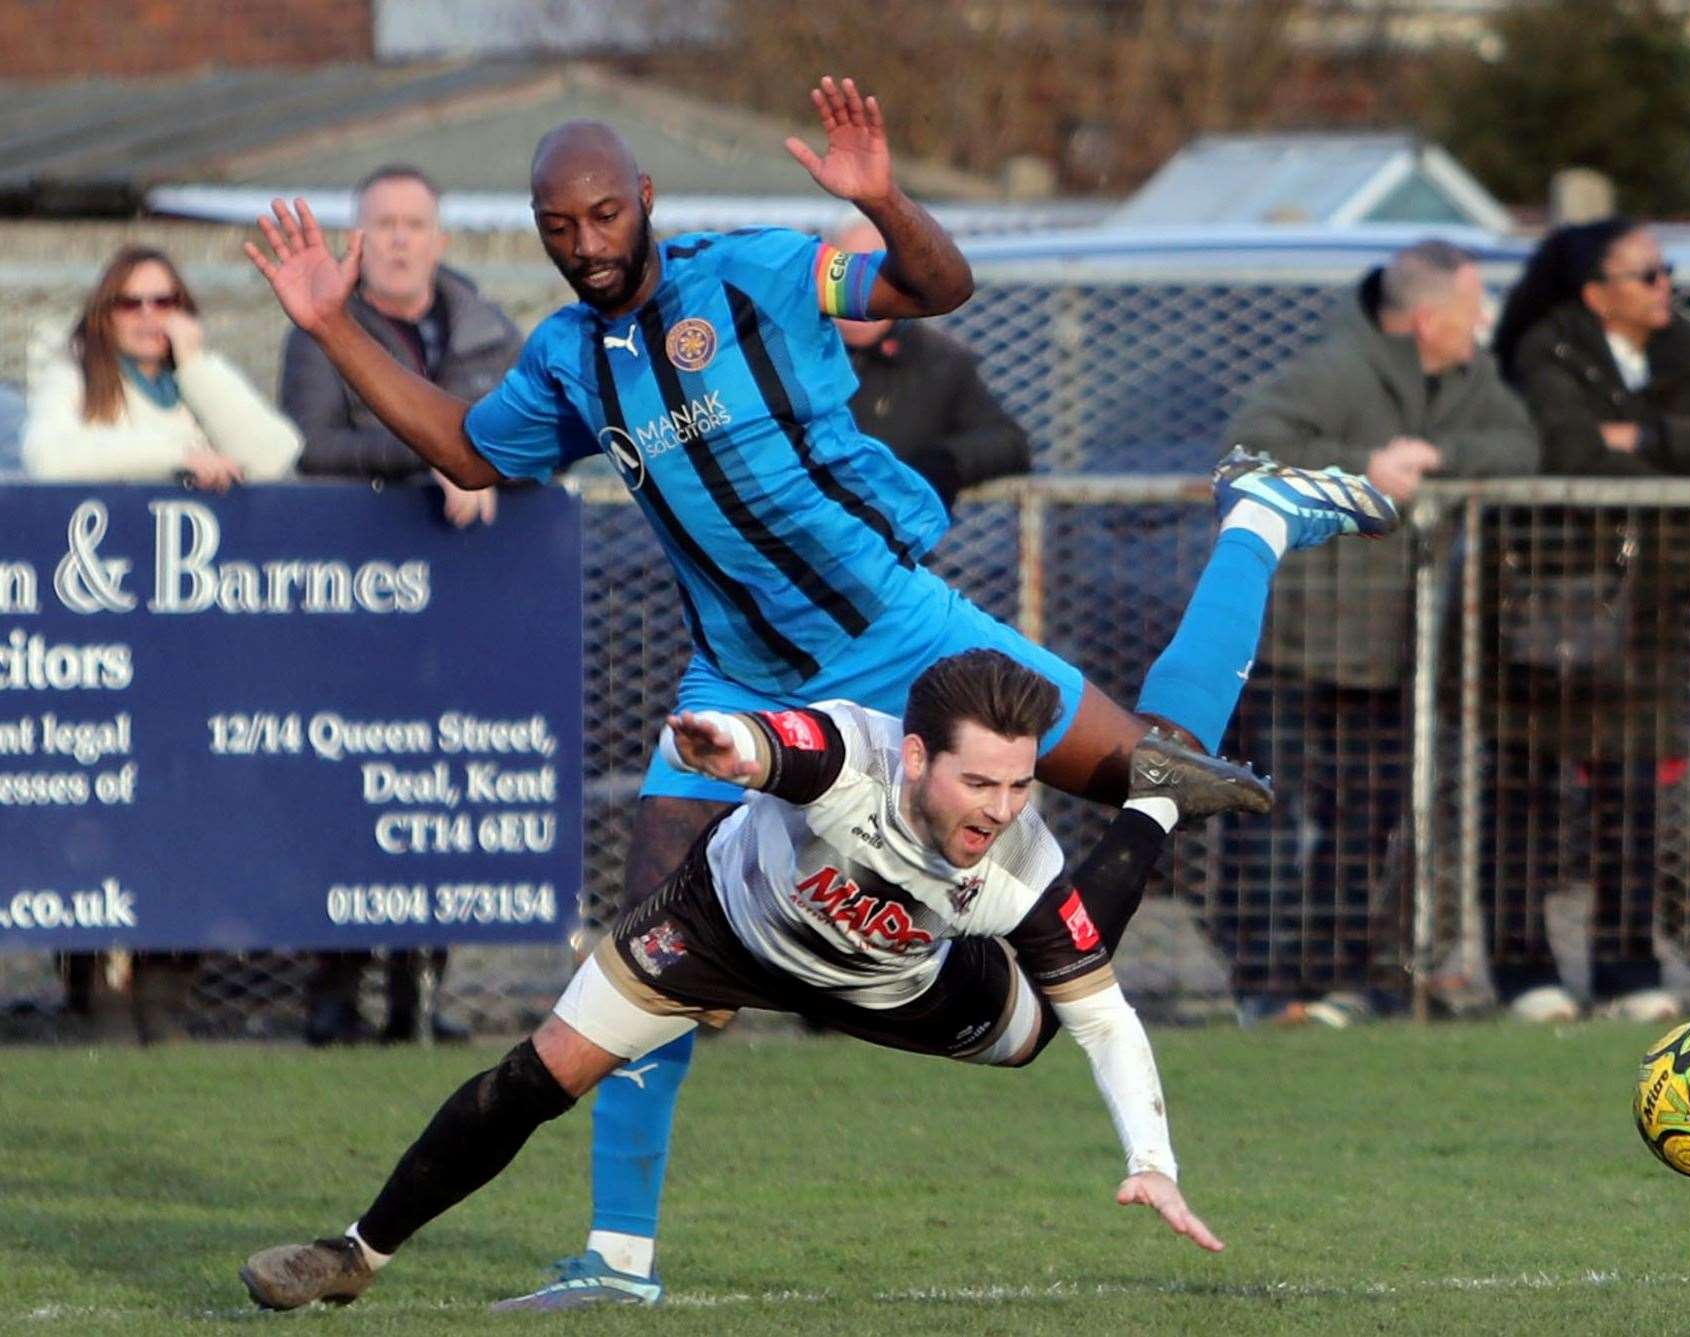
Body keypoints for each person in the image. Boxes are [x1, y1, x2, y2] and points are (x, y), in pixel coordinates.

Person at [243, 74, 1397, 1308]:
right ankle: (618, 1257)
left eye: (600, 216)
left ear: (645, 201)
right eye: (556, 227)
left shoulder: (766, 271)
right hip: (734, 673)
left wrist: (885, 200)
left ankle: (1259, 519)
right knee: (646, 943)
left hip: (897, 631)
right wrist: (331, 324)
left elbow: (937, 287)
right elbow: (466, 447)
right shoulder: (568, 361)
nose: (583, 245)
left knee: (1157, 768)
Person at [239, 649, 1232, 1311]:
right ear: (915, 753)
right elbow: (777, 747)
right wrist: (733, 747)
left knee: (1045, 1015)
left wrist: (1155, 1158)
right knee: (534, 1077)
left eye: (1021, 784)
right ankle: (354, 1255)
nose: (1002, 807)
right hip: (721, 927)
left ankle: (1152, 806)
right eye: (979, 782)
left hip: (897, 983)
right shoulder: (849, 754)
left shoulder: (1015, 858)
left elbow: (1105, 1018)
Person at [1217, 240, 1540, 1025]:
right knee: (1272, 820)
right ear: (1428, 318)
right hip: (1299, 642)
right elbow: (1244, 452)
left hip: (1394, 647)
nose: (1484, 322)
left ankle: (1341, 980)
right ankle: (1268, 988)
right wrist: (1362, 469)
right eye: (1472, 308)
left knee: (1365, 821)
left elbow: (1520, 446)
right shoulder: (1334, 371)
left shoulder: (1469, 380)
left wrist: (1437, 457)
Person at [21, 244, 302, 1042]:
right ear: (105, 313)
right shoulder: (74, 377)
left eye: (165, 300)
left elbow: (275, 455)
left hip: (197, 642)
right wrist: (177, 459)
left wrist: (199, 369)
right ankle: (100, 990)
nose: (149, 317)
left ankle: (168, 992)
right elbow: (52, 456)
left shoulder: (199, 383)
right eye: (132, 303)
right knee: (101, 810)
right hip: (101, 638)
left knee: (190, 807)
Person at [1486, 218, 1690, 1024]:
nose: (1664, 285)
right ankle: (1521, 969)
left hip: (1649, 609)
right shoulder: (1548, 349)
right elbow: (1568, 448)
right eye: (1646, 274)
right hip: (1545, 601)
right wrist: (1682, 446)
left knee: (1631, 794)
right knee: (1524, 789)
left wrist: (1640, 434)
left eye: (1666, 270)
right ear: (1597, 291)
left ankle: (1625, 967)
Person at [280, 163, 525, 1047]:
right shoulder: (320, 328)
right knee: (351, 790)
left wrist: (487, 462)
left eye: (412, 222)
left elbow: (546, 437)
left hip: (467, 596)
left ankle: (421, 993)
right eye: (379, 221)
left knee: (445, 784)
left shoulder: (489, 331)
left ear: (440, 237)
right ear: (358, 235)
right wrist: (436, 453)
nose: (396, 237)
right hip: (355, 597)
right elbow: (310, 447)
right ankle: (334, 989)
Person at [827, 213, 1030, 510]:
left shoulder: (937, 362)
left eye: (876, 273)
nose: (862, 288)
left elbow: (1008, 443)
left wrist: (944, 462)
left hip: (890, 542)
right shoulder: (786, 349)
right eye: (848, 273)